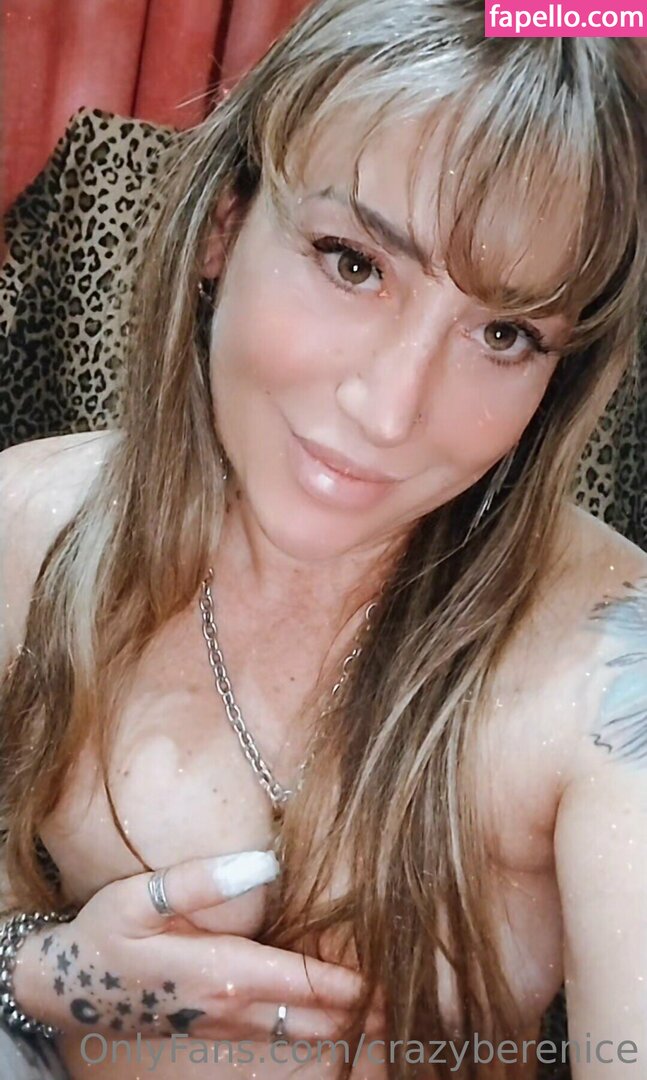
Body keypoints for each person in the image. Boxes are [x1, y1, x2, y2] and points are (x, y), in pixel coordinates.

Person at [0, 1, 646, 1077]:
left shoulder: (606, 672)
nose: (389, 412)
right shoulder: (26, 529)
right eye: (352, 263)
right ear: (224, 224)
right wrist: (38, 972)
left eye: (502, 333)